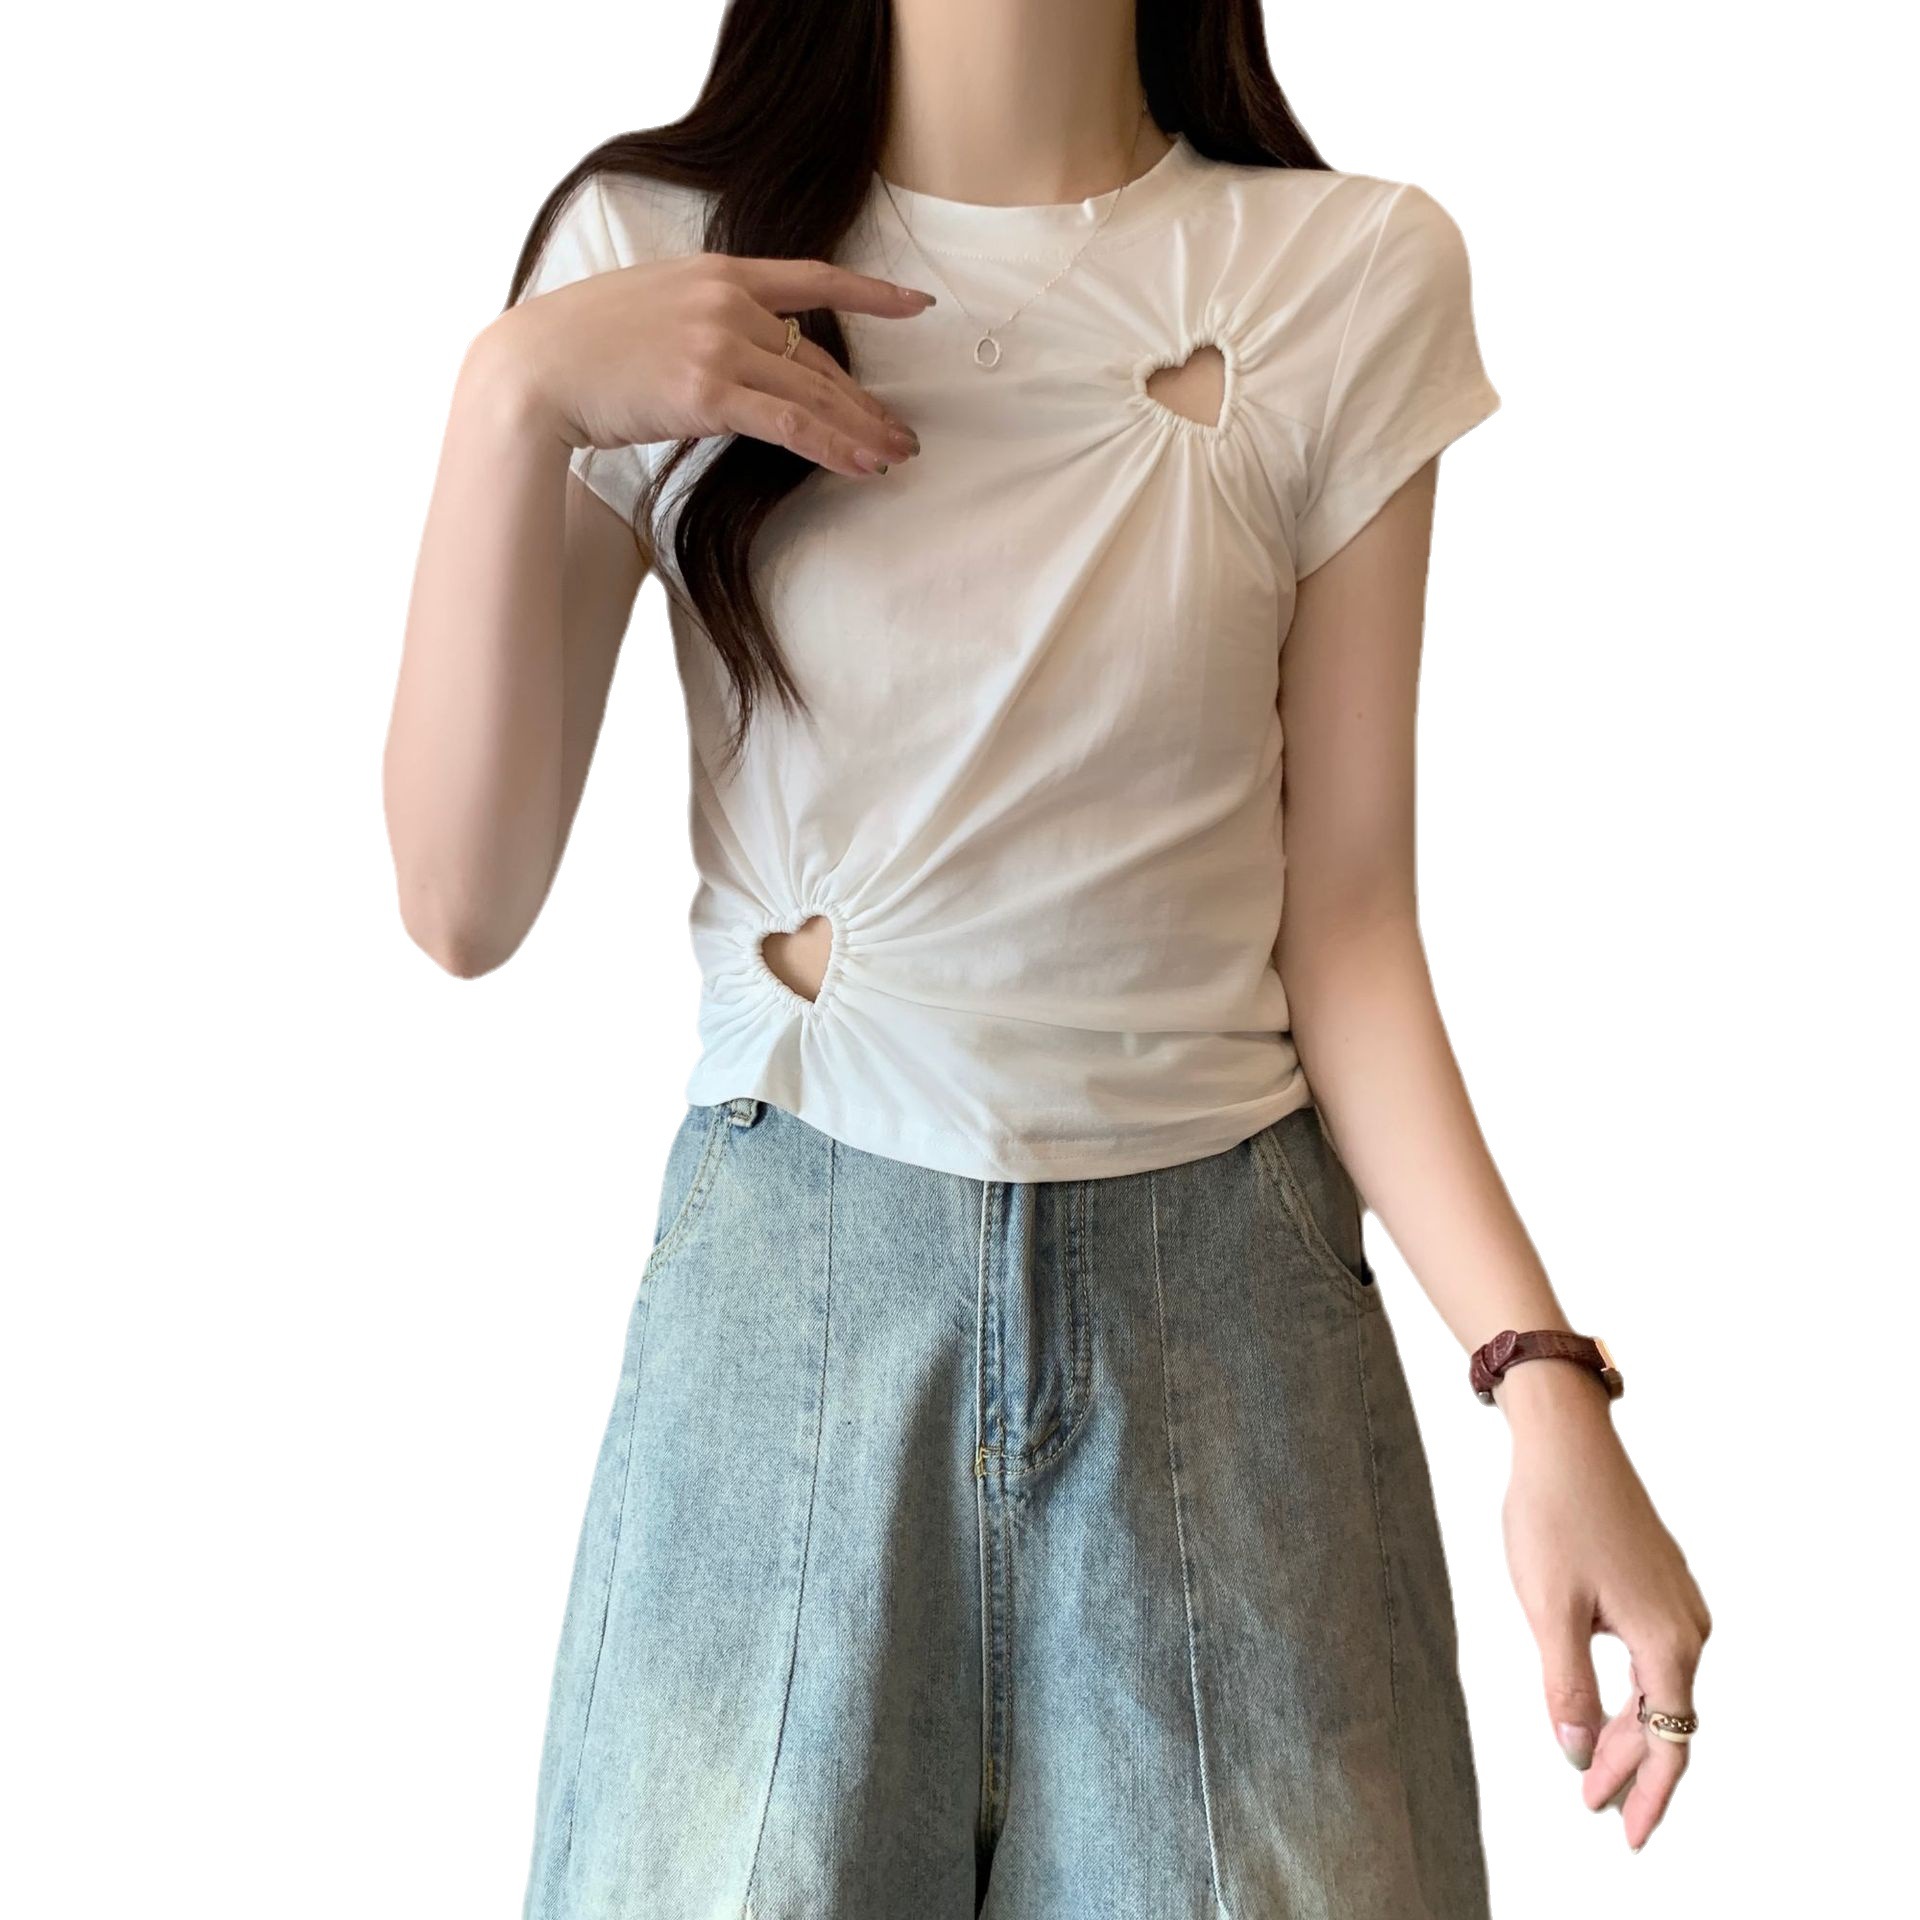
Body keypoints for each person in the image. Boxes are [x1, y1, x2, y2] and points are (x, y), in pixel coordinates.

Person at [383, 3, 1712, 1914]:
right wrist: (514, 392)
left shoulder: (1345, 269)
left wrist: (1543, 1381)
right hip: (788, 1321)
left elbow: (1344, 922)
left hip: (1233, 1343)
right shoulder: (653, 252)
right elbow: (461, 902)